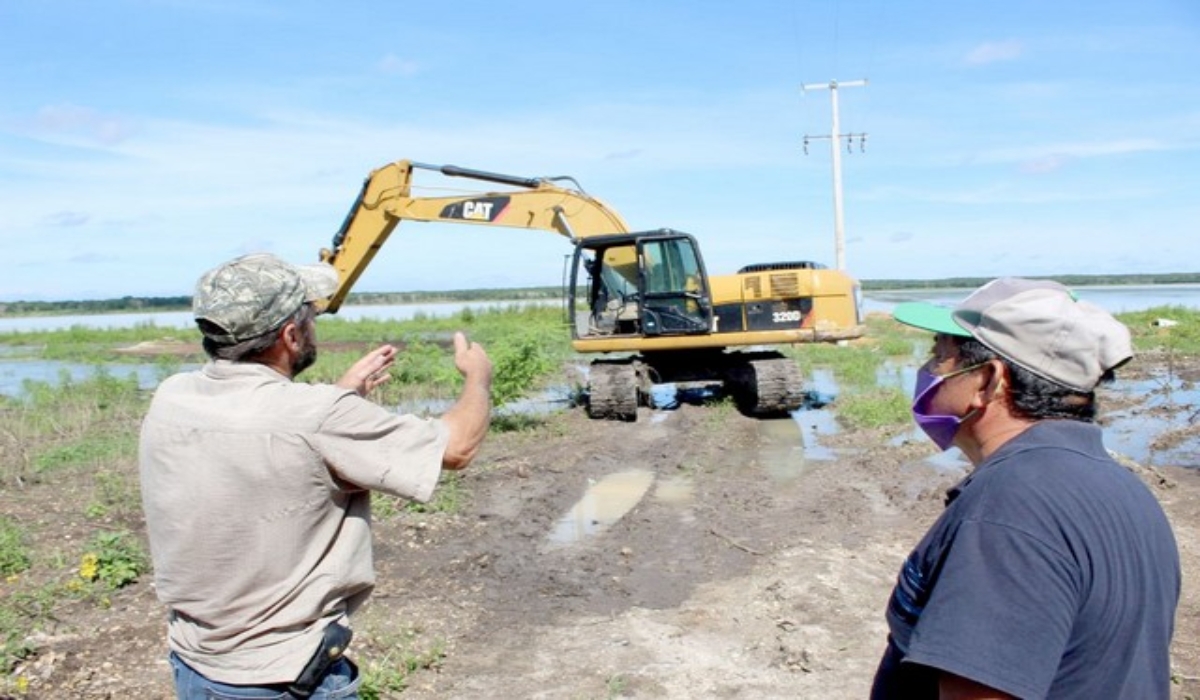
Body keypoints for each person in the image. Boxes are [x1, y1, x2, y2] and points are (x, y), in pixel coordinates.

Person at [139, 252, 492, 699]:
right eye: (310, 316)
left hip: (197, 664)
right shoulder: (316, 415)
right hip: (284, 677)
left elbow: (270, 447)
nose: (313, 324)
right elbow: (458, 446)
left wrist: (342, 398)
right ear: (290, 335)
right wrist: (477, 378)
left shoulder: (172, 396)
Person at [871, 277, 1180, 699]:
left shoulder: (1008, 509)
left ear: (987, 381)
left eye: (939, 357)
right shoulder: (1124, 488)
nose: (927, 372)